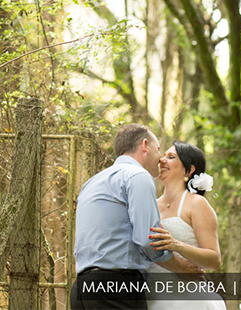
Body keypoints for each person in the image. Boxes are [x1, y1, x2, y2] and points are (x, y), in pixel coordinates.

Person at [70, 124, 203, 310]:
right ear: (145, 145)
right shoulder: (138, 176)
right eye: (158, 150)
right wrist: (181, 267)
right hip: (116, 287)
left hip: (81, 289)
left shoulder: (92, 182)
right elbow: (148, 240)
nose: (160, 158)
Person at [147, 142, 225, 310]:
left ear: (188, 171)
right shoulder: (151, 205)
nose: (162, 160)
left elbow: (214, 260)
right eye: (163, 155)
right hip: (151, 298)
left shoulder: (196, 203)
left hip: (188, 300)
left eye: (171, 157)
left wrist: (176, 245)